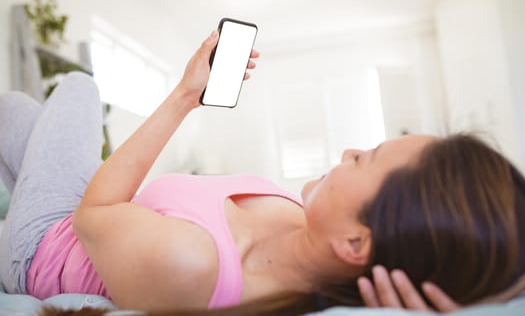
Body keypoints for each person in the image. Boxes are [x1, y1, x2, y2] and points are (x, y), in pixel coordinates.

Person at [0, 30, 524, 315]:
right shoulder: (306, 227)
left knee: (76, 90)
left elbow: (96, 214)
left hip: (47, 242)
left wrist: (185, 96)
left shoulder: (194, 265)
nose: (346, 152)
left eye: (364, 159)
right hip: (85, 216)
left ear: (357, 244)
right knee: (16, 113)